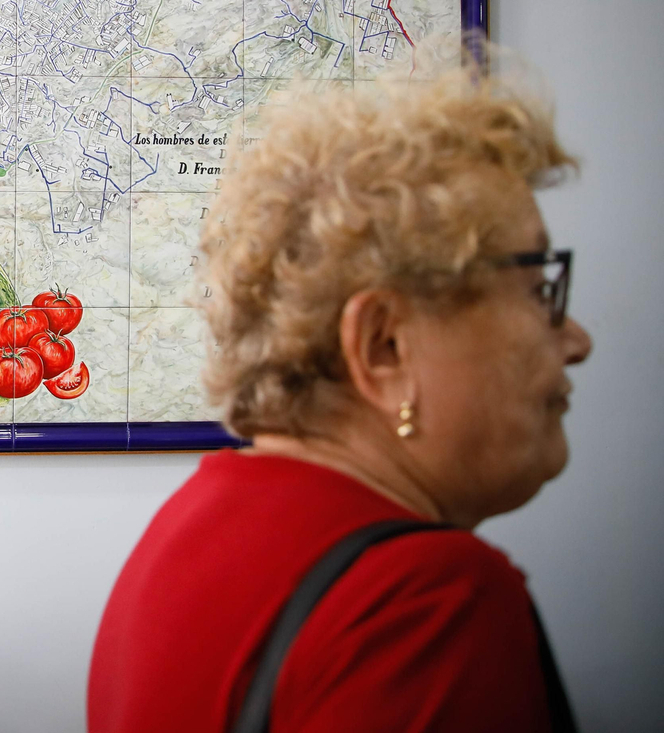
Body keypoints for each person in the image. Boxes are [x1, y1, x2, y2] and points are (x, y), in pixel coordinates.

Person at [88, 64, 593, 733]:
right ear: (383, 347)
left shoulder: (183, 535)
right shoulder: (424, 608)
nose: (578, 340)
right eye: (538, 288)